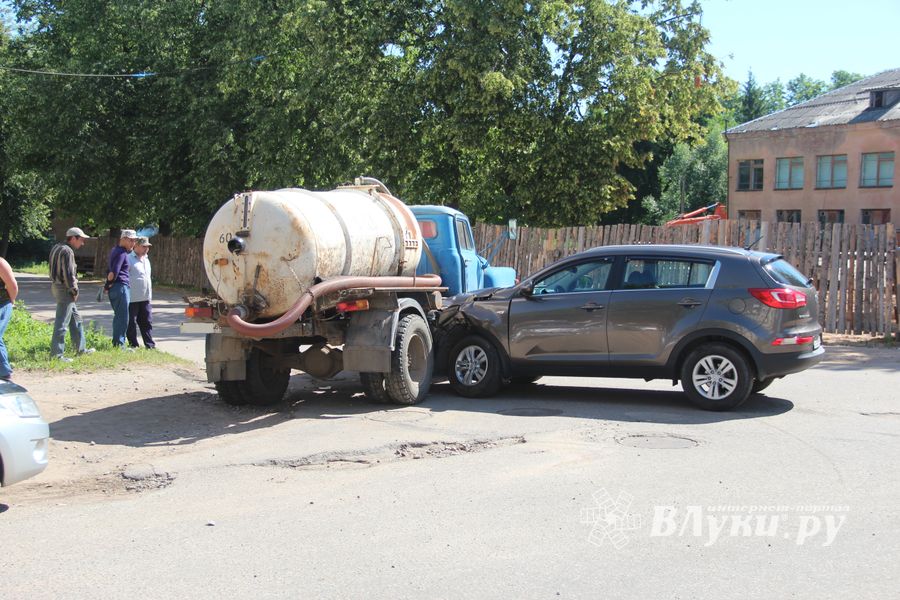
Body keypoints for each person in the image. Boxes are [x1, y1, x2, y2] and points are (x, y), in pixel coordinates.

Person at [49, 227, 95, 362]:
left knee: (76, 319)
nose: (82, 243)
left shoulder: (56, 247)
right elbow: (68, 274)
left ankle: (81, 349)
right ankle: (56, 355)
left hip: (57, 286)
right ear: (73, 238)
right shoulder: (67, 251)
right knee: (62, 323)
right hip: (65, 289)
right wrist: (74, 290)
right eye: (81, 240)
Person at [104, 229, 138, 348]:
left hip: (117, 288)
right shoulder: (121, 253)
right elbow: (114, 272)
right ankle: (119, 344)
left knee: (120, 316)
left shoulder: (115, 250)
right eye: (131, 240)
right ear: (122, 239)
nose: (133, 243)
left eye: (134, 241)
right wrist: (109, 284)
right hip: (121, 287)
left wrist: (107, 286)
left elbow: (110, 270)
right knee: (123, 318)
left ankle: (118, 343)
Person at [126, 236, 155, 349]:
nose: (146, 249)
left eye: (147, 247)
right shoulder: (129, 259)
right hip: (132, 297)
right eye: (143, 246)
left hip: (145, 297)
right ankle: (133, 344)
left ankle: (150, 345)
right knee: (131, 323)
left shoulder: (146, 260)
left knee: (147, 322)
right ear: (136, 246)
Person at [0, 256, 19, 380]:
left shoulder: (0, 263)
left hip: (2, 303)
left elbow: (12, 285)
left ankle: (5, 373)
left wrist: (12, 301)